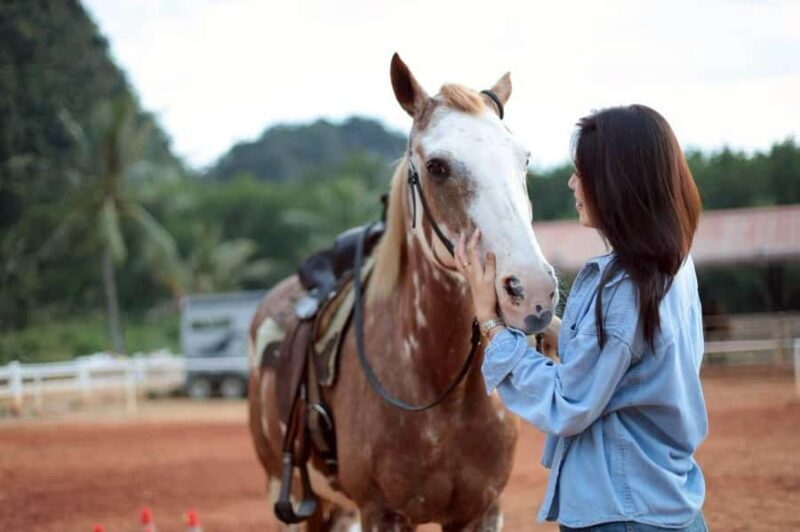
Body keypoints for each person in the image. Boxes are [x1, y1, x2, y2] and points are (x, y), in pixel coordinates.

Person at [455, 104, 709, 531]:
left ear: (616, 181)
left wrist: (489, 321)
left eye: (580, 171)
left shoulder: (624, 289)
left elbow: (568, 402)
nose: (573, 183)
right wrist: (545, 324)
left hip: (621, 514)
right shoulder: (672, 265)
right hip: (660, 503)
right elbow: (624, 361)